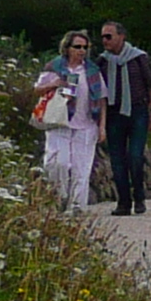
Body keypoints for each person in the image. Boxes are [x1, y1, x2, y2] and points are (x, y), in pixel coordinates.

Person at [30, 30, 105, 210]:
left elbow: (102, 99)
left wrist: (102, 126)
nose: (81, 51)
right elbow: (37, 90)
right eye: (77, 47)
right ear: (67, 48)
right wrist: (54, 84)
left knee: (82, 168)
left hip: (86, 124)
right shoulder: (54, 67)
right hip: (59, 122)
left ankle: (78, 206)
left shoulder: (92, 71)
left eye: (85, 47)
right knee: (58, 163)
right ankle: (59, 199)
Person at [94, 19, 151, 216]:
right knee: (117, 159)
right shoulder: (103, 62)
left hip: (137, 111)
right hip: (114, 114)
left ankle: (139, 196)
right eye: (103, 37)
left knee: (135, 155)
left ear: (121, 36)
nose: (105, 40)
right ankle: (123, 201)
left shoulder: (138, 58)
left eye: (109, 36)